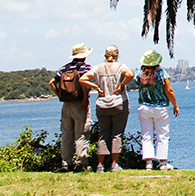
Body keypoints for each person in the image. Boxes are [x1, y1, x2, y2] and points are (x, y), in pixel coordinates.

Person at [80, 45, 134, 173]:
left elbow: (82, 79)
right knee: (117, 133)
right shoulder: (120, 67)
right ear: (117, 55)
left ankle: (100, 165)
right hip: (118, 102)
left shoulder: (97, 68)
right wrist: (121, 85)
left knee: (103, 134)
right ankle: (114, 164)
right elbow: (130, 74)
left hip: (102, 104)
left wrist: (96, 87)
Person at [48, 43, 93, 173]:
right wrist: (85, 98)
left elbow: (51, 82)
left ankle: (65, 163)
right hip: (80, 103)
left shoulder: (65, 68)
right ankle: (80, 163)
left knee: (67, 134)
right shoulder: (85, 67)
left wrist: (60, 96)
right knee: (81, 134)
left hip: (67, 104)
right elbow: (84, 82)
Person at [135, 49, 180, 170]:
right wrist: (175, 105)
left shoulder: (139, 73)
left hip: (144, 106)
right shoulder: (162, 73)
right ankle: (162, 163)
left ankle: (148, 162)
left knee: (146, 134)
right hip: (160, 107)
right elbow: (169, 90)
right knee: (163, 134)